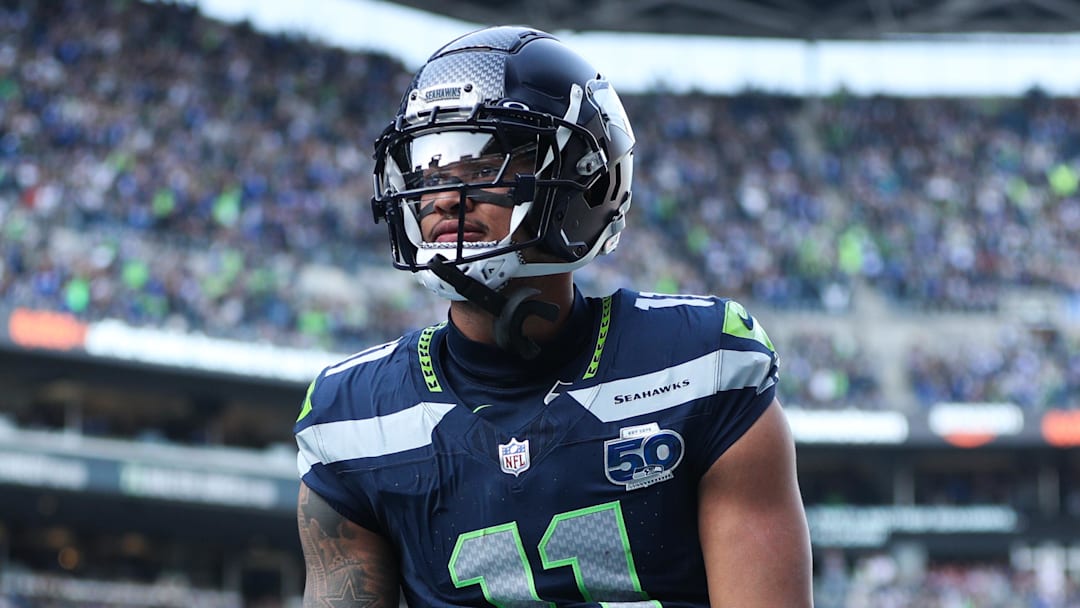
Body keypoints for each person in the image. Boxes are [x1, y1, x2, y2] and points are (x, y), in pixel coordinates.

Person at [294, 25, 813, 607]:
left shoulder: (700, 365)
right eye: (428, 172)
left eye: (481, 165)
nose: (442, 197)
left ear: (585, 184)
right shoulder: (353, 419)